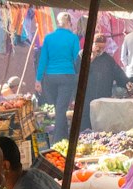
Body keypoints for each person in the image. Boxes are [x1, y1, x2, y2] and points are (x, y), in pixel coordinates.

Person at [35, 13, 82, 145]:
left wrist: (38, 80)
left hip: (50, 78)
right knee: (61, 110)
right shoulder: (73, 38)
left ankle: (65, 138)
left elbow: (43, 59)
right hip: (67, 76)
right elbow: (76, 58)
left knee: (59, 108)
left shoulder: (49, 38)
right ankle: (57, 141)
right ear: (68, 23)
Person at [84, 33, 132, 106]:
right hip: (87, 98)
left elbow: (119, 74)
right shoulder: (82, 55)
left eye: (103, 47)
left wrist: (127, 83)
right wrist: (93, 56)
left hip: (103, 98)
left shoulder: (108, 60)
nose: (100, 50)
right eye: (98, 47)